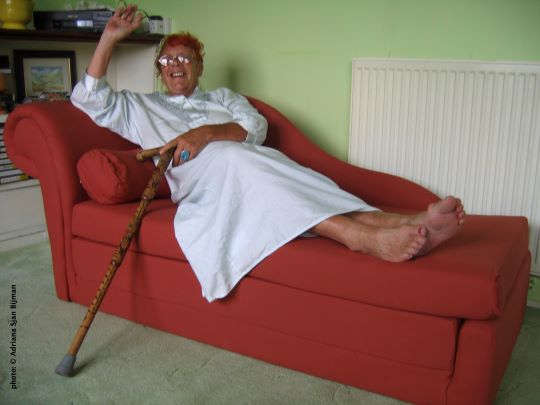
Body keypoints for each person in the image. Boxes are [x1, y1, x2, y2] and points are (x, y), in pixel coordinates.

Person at [71, 4, 465, 302]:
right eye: (167, 60)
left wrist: (207, 132)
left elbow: (256, 127)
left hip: (252, 165)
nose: (176, 65)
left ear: (199, 66)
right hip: (200, 184)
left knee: (262, 163)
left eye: (185, 58)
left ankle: (403, 221)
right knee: (236, 158)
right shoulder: (143, 107)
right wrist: (109, 38)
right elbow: (88, 99)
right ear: (159, 70)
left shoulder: (223, 98)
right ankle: (356, 236)